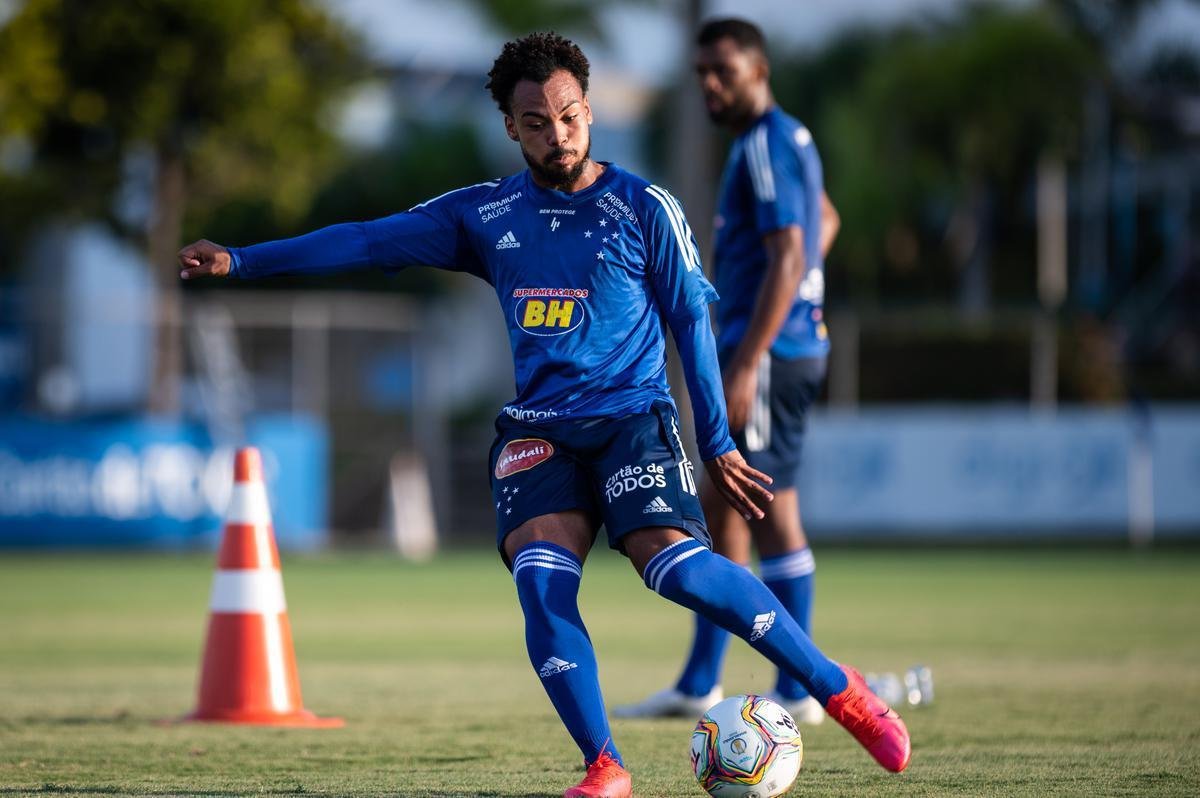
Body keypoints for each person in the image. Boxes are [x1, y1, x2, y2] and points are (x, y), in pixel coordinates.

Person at [178, 32, 908, 798]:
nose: (557, 135)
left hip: (631, 418)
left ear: (587, 110)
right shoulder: (484, 214)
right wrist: (242, 260)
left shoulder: (643, 206)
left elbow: (691, 324)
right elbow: (365, 240)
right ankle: (604, 765)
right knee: (541, 576)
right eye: (536, 122)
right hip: (539, 429)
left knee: (678, 570)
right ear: (511, 128)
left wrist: (718, 442)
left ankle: (837, 688)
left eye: (568, 116)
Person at [616, 17, 841, 728]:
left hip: (767, 353)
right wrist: (807, 290)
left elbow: (789, 250)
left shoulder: (765, 143)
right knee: (725, 512)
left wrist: (747, 361)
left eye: (725, 71)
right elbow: (825, 221)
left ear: (759, 70)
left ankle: (796, 691)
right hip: (790, 344)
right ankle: (701, 681)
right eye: (702, 74)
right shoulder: (791, 138)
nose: (711, 85)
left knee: (766, 513)